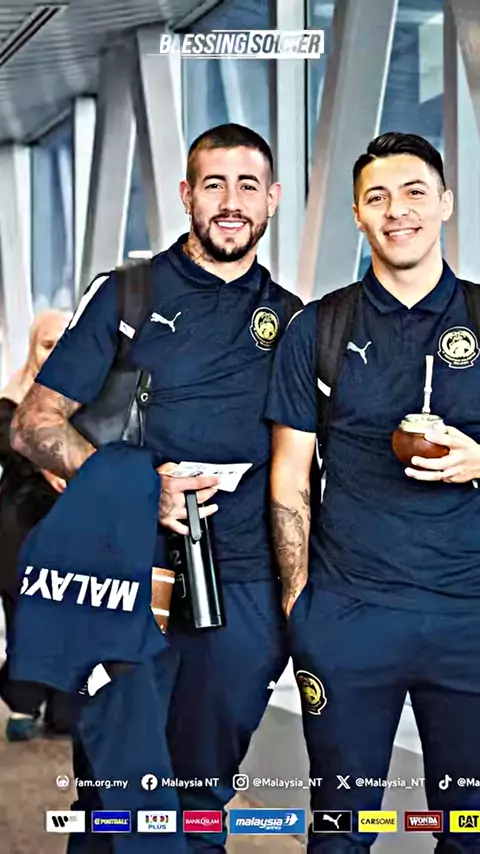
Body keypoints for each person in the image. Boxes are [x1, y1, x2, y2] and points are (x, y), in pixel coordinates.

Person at [11, 123, 302, 852]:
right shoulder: (127, 295)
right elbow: (34, 425)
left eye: (246, 186)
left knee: (203, 799)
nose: (230, 202)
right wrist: (143, 490)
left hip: (244, 590)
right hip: (129, 578)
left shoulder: (295, 319)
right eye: (213, 184)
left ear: (271, 199)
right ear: (185, 195)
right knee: (113, 799)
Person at [266, 132, 480, 852]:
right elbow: (290, 473)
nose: (397, 210)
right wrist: (300, 601)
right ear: (357, 215)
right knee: (341, 830)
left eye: (415, 192)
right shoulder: (319, 328)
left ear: (445, 202)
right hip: (348, 616)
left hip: (470, 619)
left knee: (471, 829)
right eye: (377, 197)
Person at [0, 310, 74, 741]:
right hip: (22, 527)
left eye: (64, 343)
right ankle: (23, 702)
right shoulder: (10, 400)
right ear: (33, 347)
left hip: (74, 528)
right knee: (27, 618)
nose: (56, 353)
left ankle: (64, 705)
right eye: (47, 344)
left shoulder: (88, 396)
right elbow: (11, 448)